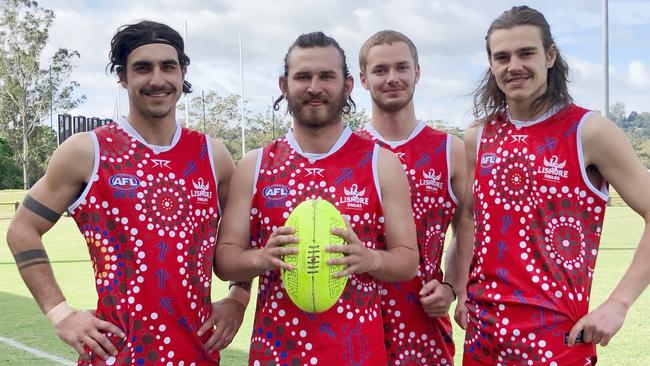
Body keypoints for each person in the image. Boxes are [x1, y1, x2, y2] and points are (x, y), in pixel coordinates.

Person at [6, 20, 248, 365]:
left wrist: (238, 297)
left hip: (198, 352)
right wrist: (60, 313)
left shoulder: (214, 157)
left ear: (183, 72)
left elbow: (243, 236)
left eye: (168, 66)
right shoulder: (87, 152)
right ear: (122, 76)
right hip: (117, 354)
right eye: (142, 68)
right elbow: (22, 229)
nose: (157, 79)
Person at [455, 6, 650, 365]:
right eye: (502, 56)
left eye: (526, 52)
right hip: (483, 340)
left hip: (558, 341)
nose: (514, 65)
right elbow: (469, 218)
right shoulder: (477, 137)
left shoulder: (589, 131)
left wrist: (619, 304)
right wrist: (460, 289)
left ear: (550, 55)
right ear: (491, 64)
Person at [214, 31, 419, 365]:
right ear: (284, 85)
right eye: (302, 76)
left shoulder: (380, 163)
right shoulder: (256, 164)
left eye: (326, 76)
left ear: (348, 85)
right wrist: (262, 258)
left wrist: (370, 259)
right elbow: (224, 261)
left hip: (358, 353)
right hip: (276, 353)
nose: (314, 87)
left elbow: (408, 260)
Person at [356, 30, 465, 365]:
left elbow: (470, 227)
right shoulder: (348, 152)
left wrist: (451, 288)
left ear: (417, 72)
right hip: (354, 326)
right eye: (380, 70)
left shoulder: (451, 151)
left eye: (402, 67)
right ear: (363, 79)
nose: (392, 78)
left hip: (423, 327)